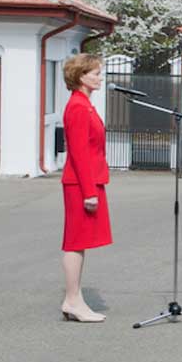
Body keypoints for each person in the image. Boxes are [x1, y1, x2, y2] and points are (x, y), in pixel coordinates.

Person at [60, 53, 112, 323]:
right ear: (80, 76)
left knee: (80, 244)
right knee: (75, 242)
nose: (99, 77)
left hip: (86, 181)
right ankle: (72, 300)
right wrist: (89, 191)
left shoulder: (84, 104)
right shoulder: (79, 106)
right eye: (94, 73)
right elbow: (79, 153)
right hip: (81, 183)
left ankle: (75, 298)